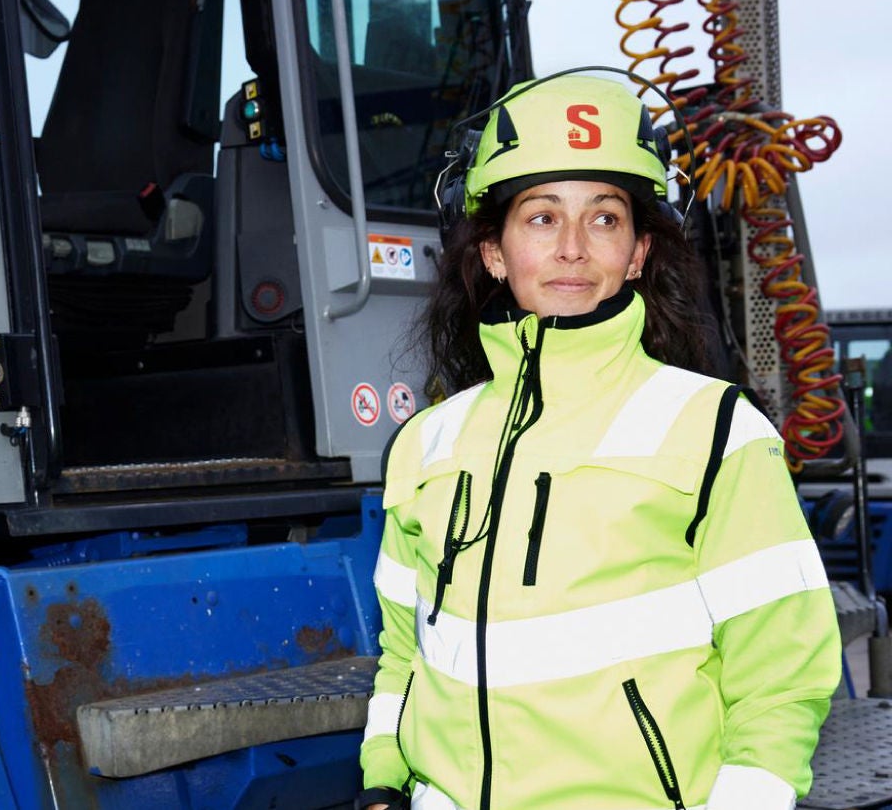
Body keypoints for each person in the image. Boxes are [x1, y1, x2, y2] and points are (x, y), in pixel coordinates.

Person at [354, 76, 840, 810]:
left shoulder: (717, 430)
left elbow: (782, 675)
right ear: (493, 251)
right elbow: (404, 649)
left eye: (604, 219)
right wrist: (385, 780)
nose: (573, 249)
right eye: (542, 218)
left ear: (638, 253)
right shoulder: (427, 443)